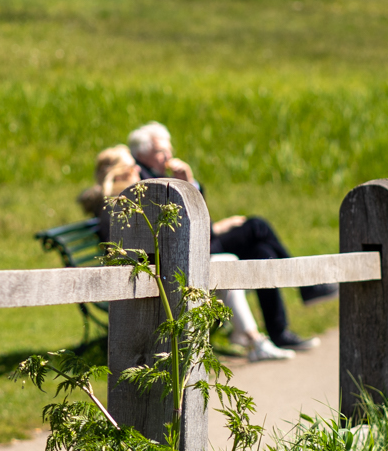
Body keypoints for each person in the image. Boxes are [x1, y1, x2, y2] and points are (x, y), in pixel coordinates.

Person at [126, 122, 330, 355]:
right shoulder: (140, 180)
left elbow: (195, 218)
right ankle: (306, 286)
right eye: (161, 152)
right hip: (188, 253)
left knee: (262, 253)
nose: (169, 156)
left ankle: (279, 332)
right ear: (142, 154)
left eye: (169, 150)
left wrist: (189, 182)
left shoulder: (160, 175)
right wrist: (196, 194)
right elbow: (179, 226)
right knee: (256, 226)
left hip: (198, 244)